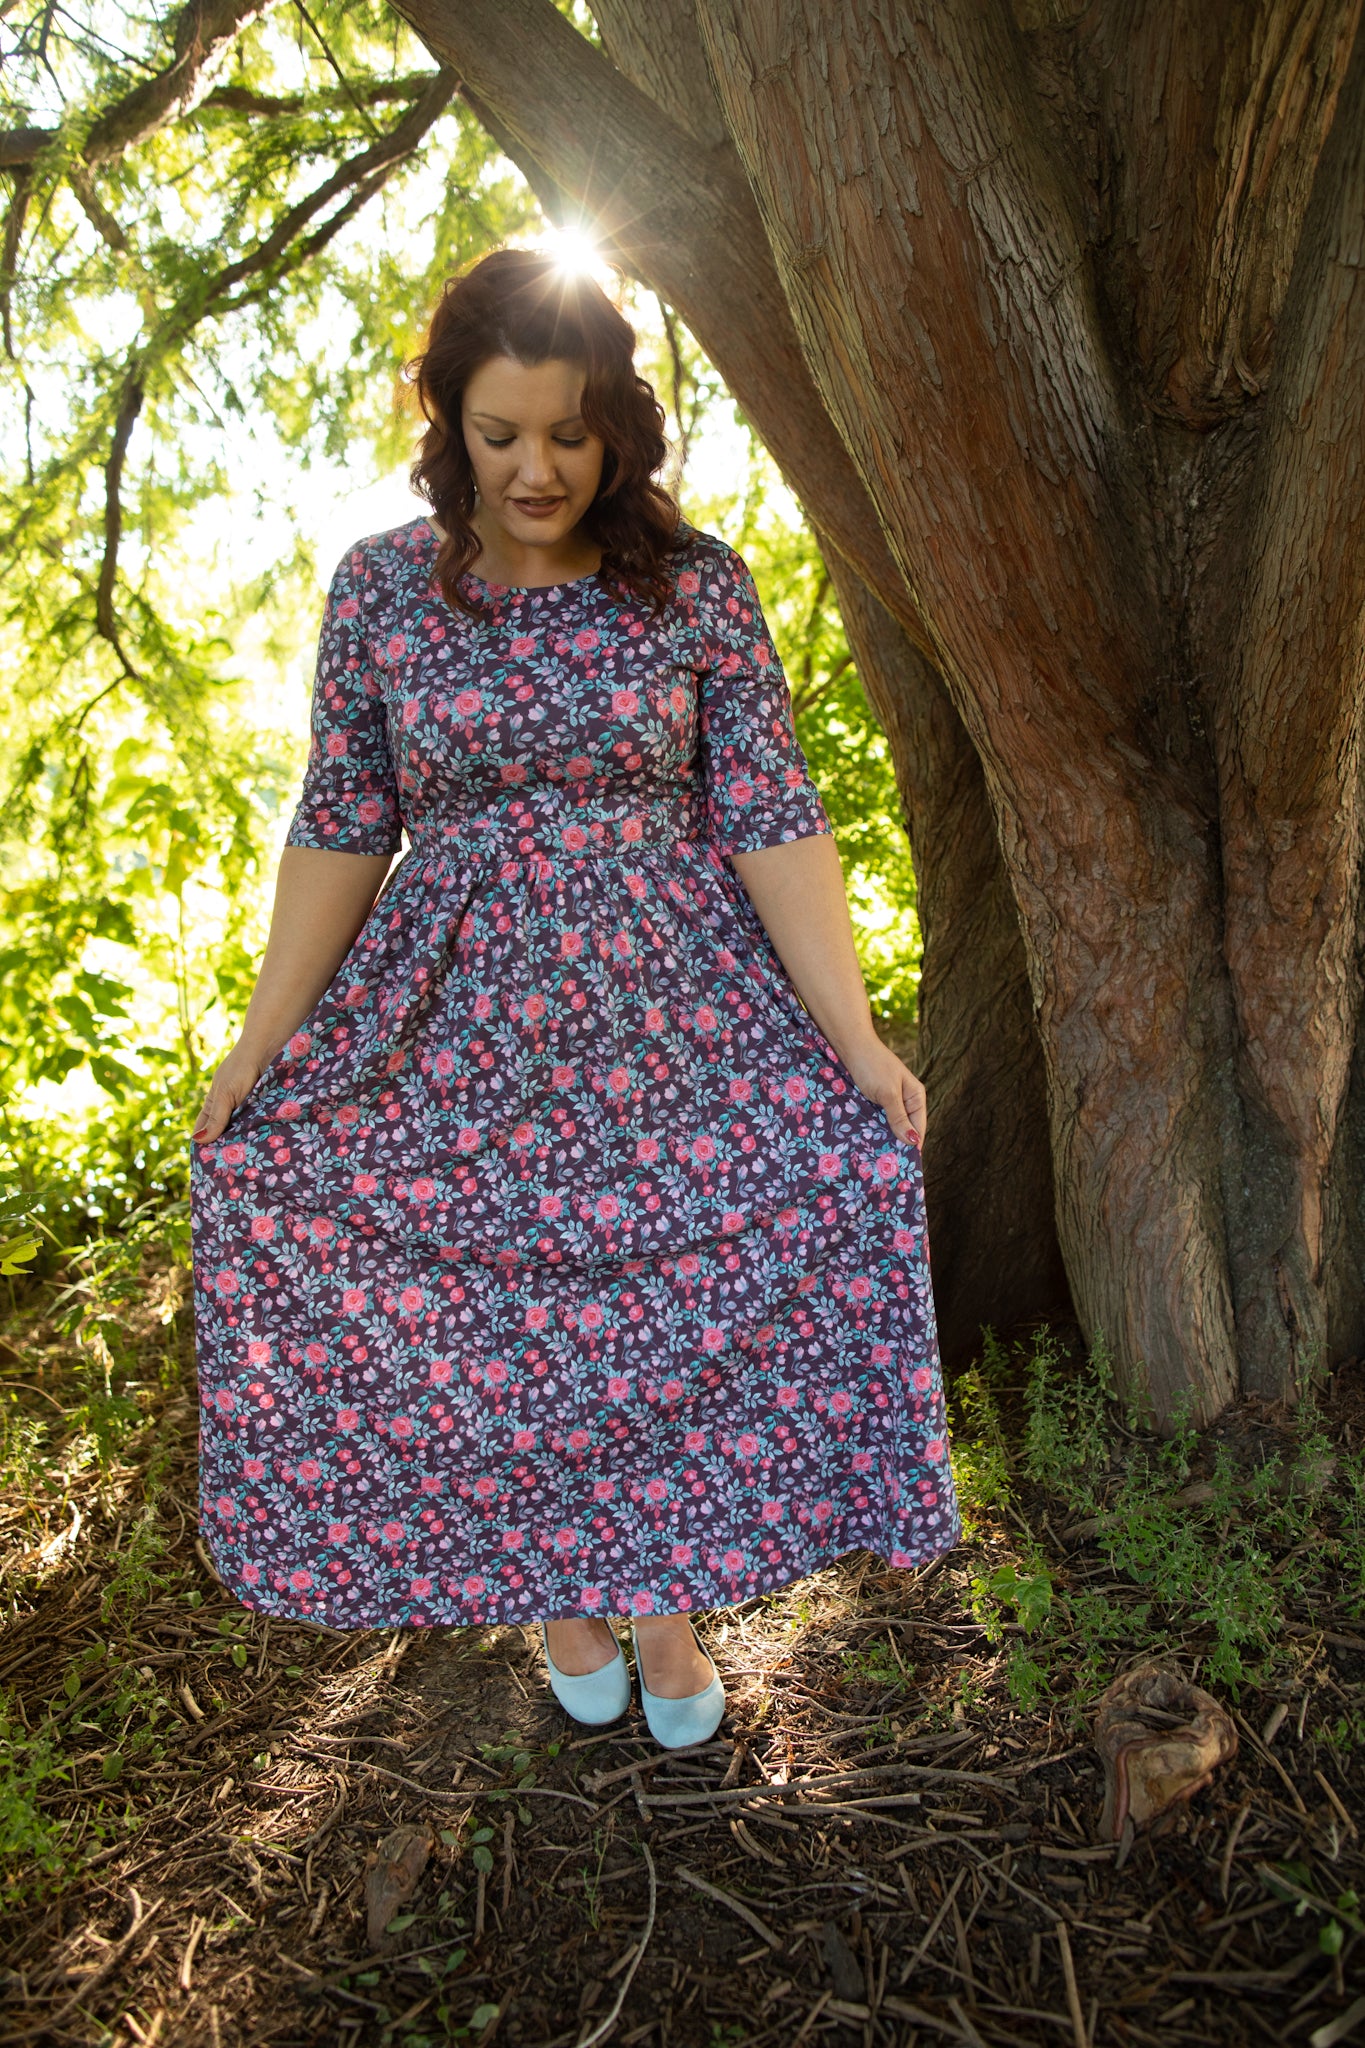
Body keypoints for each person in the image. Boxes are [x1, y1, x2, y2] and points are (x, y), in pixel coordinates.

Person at [188, 247, 960, 1753]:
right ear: (447, 422)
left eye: (569, 433)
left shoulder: (694, 589)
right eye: (500, 434)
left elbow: (772, 818)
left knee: (700, 1266)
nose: (536, 469)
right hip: (448, 1026)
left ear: (617, 431)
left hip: (671, 1016)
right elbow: (341, 825)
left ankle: (658, 1598)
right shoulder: (384, 590)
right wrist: (259, 1044)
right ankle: (558, 1593)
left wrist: (856, 1042)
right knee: (485, 1303)